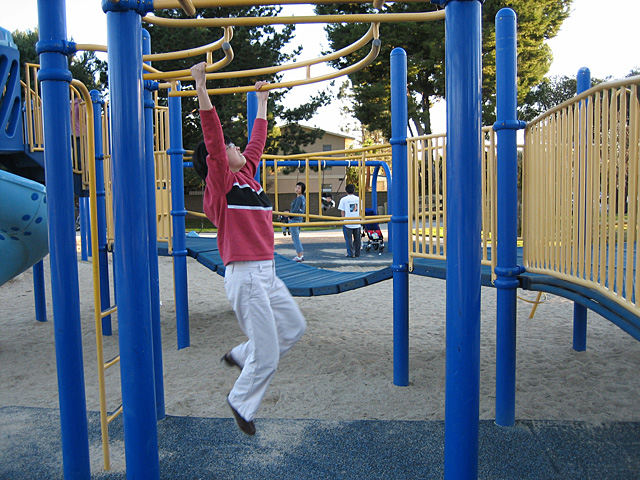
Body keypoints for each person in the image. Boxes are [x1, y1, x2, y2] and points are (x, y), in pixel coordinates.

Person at [190, 61, 306, 436]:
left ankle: (241, 354)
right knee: (269, 356)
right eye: (229, 147)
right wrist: (201, 86)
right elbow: (213, 138)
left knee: (294, 327)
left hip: (267, 272)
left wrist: (262, 100)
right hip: (246, 275)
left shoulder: (248, 175)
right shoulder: (221, 185)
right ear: (218, 163)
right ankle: (241, 401)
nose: (234, 145)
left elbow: (257, 140)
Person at [338, 183, 361, 258]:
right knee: (357, 239)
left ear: (346, 191)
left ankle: (351, 254)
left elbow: (342, 211)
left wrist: (343, 219)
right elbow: (361, 210)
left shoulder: (343, 199)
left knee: (348, 239)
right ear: (354, 190)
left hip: (347, 222)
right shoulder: (358, 199)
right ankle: (357, 253)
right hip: (357, 222)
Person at [289, 182, 306, 262]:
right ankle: (300, 255)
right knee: (296, 238)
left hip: (295, 219)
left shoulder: (299, 198)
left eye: (299, 188)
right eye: (296, 187)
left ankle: (299, 255)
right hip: (299, 219)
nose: (297, 189)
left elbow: (295, 209)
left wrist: (289, 216)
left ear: (302, 190)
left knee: (295, 238)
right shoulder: (302, 198)